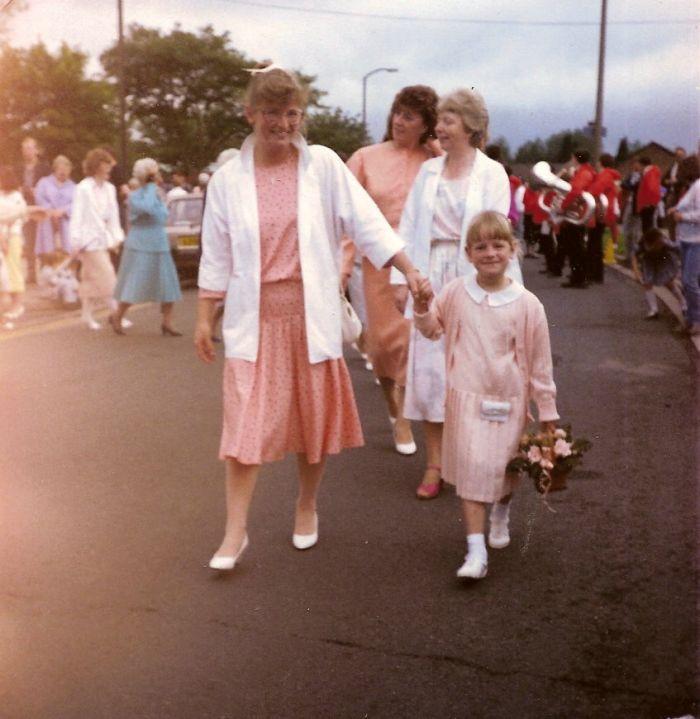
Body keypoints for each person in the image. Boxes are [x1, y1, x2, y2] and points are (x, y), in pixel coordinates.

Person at [195, 66, 430, 571]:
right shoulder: (229, 180)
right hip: (253, 319)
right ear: (251, 114)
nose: (283, 123)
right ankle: (235, 531)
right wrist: (202, 316)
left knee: (312, 421)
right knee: (244, 429)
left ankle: (306, 505)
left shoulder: (321, 165)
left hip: (310, 315)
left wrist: (408, 269)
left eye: (292, 113)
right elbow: (215, 253)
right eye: (272, 113)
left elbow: (366, 223)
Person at [391, 87, 522, 500]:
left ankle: (473, 460)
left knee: (474, 372)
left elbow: (496, 234)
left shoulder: (492, 173)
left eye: (448, 121)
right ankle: (434, 462)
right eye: (440, 121)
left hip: (476, 276)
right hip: (430, 276)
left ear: (470, 126)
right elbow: (410, 223)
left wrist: (491, 287)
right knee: (431, 373)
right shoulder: (429, 172)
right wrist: (402, 281)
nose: (439, 129)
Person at [413, 211, 559, 579]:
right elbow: (432, 330)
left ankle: (502, 511)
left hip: (509, 400)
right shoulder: (456, 293)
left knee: (503, 472)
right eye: (481, 246)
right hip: (466, 397)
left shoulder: (528, 305)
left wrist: (548, 414)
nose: (490, 252)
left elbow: (541, 365)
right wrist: (420, 305)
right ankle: (475, 553)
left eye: (498, 245)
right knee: (475, 471)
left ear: (513, 249)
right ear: (468, 253)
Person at [342, 85, 440, 456]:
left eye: (410, 116)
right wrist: (341, 265)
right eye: (398, 112)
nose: (400, 120)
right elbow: (350, 216)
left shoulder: (433, 162)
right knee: (383, 346)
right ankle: (394, 408)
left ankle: (412, 419)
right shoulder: (365, 158)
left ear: (425, 125)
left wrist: (439, 149)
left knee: (416, 342)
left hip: (422, 266)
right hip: (378, 267)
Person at [110, 158, 182, 336]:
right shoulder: (136, 196)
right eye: (155, 173)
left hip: (159, 242)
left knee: (168, 284)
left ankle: (167, 322)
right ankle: (118, 315)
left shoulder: (157, 194)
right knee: (134, 283)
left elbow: (163, 214)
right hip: (140, 243)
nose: (159, 176)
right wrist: (151, 187)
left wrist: (155, 191)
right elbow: (148, 208)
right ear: (149, 176)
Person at [69, 148, 125, 330]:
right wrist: (75, 241)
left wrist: (116, 238)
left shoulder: (109, 189)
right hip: (88, 241)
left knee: (90, 279)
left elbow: (113, 216)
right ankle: (117, 314)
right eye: (105, 164)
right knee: (107, 275)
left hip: (103, 240)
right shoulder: (83, 188)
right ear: (97, 165)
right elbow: (76, 215)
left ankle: (86, 315)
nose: (109, 168)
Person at [669, 155, 700, 336]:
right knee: (687, 281)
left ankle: (696, 319)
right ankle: (690, 319)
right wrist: (676, 210)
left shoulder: (698, 187)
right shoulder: (692, 188)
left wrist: (682, 217)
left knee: (689, 281)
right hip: (687, 239)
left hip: (696, 240)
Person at [556, 149, 596, 288]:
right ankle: (578, 276)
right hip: (578, 212)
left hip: (577, 213)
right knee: (576, 246)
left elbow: (575, 190)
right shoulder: (585, 171)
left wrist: (563, 206)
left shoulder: (583, 173)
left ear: (574, 158)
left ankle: (578, 278)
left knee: (575, 247)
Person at [15, 136, 50, 284]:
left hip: (40, 208)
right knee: (28, 241)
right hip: (25, 207)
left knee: (42, 240)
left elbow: (50, 186)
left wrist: (39, 191)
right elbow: (13, 185)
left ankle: (44, 271)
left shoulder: (45, 168)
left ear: (36, 150)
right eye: (24, 148)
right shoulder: (18, 168)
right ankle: (31, 273)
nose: (26, 151)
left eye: (29, 148)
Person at [632, 227, 684, 320]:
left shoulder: (665, 242)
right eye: (658, 241)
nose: (661, 241)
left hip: (664, 259)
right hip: (649, 261)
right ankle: (653, 310)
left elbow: (677, 249)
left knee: (669, 283)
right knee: (647, 283)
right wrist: (636, 272)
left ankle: (683, 303)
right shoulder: (642, 244)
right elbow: (634, 256)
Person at [0, 166, 30, 321]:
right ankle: (7, 305)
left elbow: (20, 216)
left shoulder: (16, 196)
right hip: (1, 237)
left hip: (13, 236)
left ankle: (18, 304)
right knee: (4, 273)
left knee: (13, 269)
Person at [586, 153, 621, 283]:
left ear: (601, 163)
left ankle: (594, 274)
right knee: (595, 242)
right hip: (606, 211)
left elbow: (594, 191)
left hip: (600, 212)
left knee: (593, 243)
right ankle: (596, 274)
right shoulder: (610, 175)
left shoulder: (605, 175)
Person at [34, 155, 76, 263]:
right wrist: (51, 211)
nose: (63, 173)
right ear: (55, 169)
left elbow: (76, 204)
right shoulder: (44, 182)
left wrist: (63, 211)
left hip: (66, 223)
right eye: (61, 170)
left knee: (65, 256)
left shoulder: (73, 186)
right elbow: (39, 198)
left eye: (67, 170)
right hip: (47, 220)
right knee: (47, 255)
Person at [636, 156, 661, 234]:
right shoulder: (648, 173)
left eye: (638, 165)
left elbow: (652, 188)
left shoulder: (650, 173)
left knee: (647, 228)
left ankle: (650, 245)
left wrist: (649, 203)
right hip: (646, 205)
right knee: (646, 227)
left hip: (647, 205)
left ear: (642, 164)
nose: (637, 167)